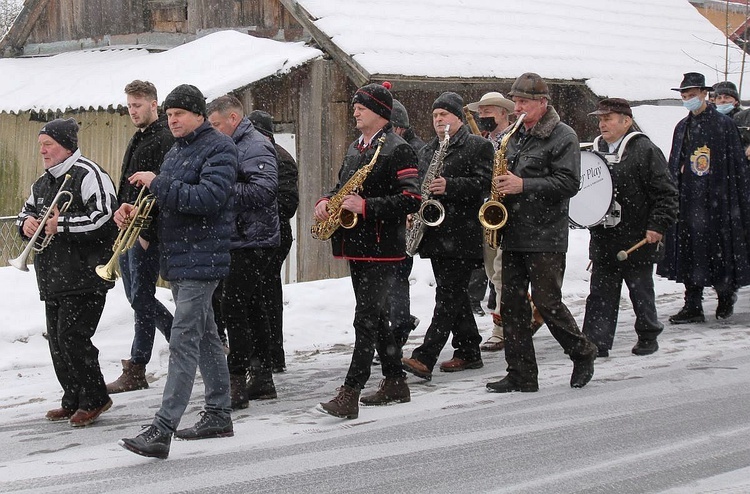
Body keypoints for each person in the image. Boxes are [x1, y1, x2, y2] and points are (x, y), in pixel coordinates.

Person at [119, 84, 238, 459]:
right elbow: (166, 203)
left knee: (184, 341)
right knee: (203, 337)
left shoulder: (220, 148)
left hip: (203, 259)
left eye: (179, 114)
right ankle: (219, 413)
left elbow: (207, 199)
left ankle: (163, 427)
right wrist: (135, 213)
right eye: (169, 115)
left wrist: (158, 182)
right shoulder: (176, 151)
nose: (172, 120)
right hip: (181, 258)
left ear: (199, 115)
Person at [486, 73, 598, 393]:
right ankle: (521, 373)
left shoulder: (563, 136)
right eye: (515, 101)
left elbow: (569, 184)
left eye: (523, 102)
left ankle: (582, 351)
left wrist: (523, 185)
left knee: (547, 303)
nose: (517, 107)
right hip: (514, 230)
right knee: (512, 305)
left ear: (542, 103)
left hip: (546, 233)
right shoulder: (515, 135)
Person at [315, 82, 421, 419]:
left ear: (379, 111)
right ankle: (395, 381)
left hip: (383, 247)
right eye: (356, 106)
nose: (355, 111)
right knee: (376, 320)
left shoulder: (398, 148)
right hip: (356, 245)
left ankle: (351, 392)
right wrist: (326, 201)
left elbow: (412, 199)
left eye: (362, 106)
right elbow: (340, 187)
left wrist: (367, 207)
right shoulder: (355, 147)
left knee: (366, 319)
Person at [17, 117, 117, 426]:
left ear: (66, 146)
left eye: (49, 145)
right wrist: (26, 224)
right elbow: (26, 211)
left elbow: (104, 218)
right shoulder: (44, 181)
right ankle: (72, 397)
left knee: (73, 337)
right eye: (41, 145)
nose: (43, 151)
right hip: (54, 275)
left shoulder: (90, 174)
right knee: (58, 342)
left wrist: (59, 225)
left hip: (85, 274)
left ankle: (95, 397)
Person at [401, 91, 493, 382]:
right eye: (435, 116)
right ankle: (469, 350)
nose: (439, 120)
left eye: (444, 115)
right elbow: (420, 186)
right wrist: (413, 209)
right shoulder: (428, 150)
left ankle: (425, 356)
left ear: (458, 118)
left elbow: (485, 184)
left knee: (447, 295)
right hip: (435, 232)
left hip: (463, 234)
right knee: (455, 295)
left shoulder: (478, 146)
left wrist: (450, 185)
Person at [581, 98, 678, 358]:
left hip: (637, 236)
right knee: (601, 292)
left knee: (640, 290)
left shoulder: (644, 149)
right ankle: (596, 341)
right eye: (600, 119)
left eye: (608, 119)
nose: (602, 124)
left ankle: (648, 335)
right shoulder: (594, 151)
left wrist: (657, 225)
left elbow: (666, 194)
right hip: (604, 235)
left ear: (626, 121)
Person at [657, 72, 750, 323]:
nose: (688, 100)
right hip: (688, 201)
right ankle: (692, 304)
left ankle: (725, 295)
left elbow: (734, 166)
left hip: (717, 200)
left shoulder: (723, 126)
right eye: (684, 96)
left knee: (719, 248)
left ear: (704, 94)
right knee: (689, 252)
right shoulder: (682, 127)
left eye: (692, 95)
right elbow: (675, 162)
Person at [207, 95, 280, 409]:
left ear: (233, 119)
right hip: (238, 238)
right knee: (251, 308)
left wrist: (219, 191)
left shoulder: (255, 145)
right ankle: (261, 377)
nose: (213, 130)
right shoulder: (231, 145)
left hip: (252, 240)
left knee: (235, 308)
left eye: (217, 124)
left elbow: (264, 190)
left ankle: (236, 380)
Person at [106, 80, 174, 394]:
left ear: (153, 105)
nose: (133, 111)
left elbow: (165, 186)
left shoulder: (162, 137)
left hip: (146, 232)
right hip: (129, 228)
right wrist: (120, 209)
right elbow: (129, 187)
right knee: (138, 298)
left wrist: (147, 231)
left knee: (141, 298)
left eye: (138, 105)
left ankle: (137, 366)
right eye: (130, 106)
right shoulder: (141, 136)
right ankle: (181, 337)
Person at [249, 109, 300, 373]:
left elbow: (287, 204)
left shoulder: (281, 159)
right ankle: (265, 354)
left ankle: (272, 354)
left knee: (267, 294)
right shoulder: (262, 155)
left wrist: (258, 211)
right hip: (262, 235)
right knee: (262, 294)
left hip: (274, 237)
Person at [466, 91, 515, 351]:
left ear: (503, 114)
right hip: (487, 215)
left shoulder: (514, 140)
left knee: (501, 275)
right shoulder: (482, 142)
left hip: (510, 215)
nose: (482, 116)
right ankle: (524, 313)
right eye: (480, 112)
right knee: (491, 271)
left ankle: (501, 328)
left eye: (488, 112)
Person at [387, 99, 423, 349]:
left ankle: (398, 330)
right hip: (390, 222)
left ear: (398, 128)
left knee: (396, 281)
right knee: (390, 284)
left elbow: (415, 189)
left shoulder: (411, 150)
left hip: (404, 224)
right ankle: (399, 323)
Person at [712, 81, 750, 157]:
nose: (722, 100)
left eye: (727, 97)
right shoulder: (710, 120)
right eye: (719, 98)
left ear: (736, 101)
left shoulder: (745, 118)